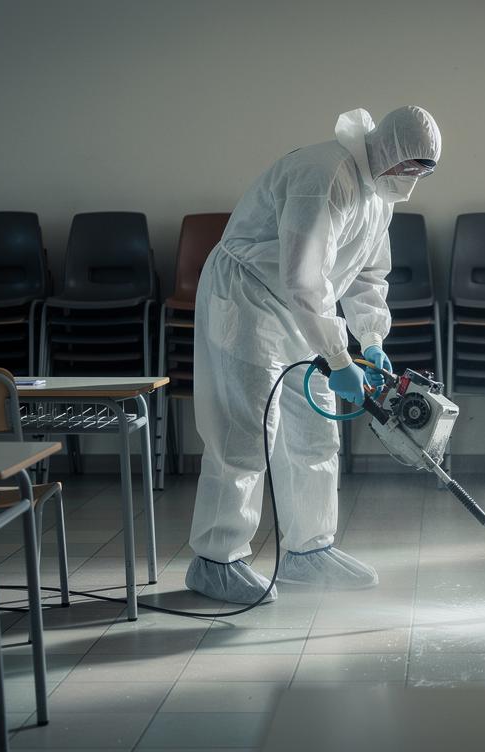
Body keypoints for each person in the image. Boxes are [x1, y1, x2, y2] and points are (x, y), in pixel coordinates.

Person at [187, 106, 440, 602]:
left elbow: (366, 273)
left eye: (423, 171)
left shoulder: (379, 194)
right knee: (246, 431)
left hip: (303, 311)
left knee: (314, 433)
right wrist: (339, 360)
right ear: (387, 148)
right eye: (409, 165)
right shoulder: (326, 175)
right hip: (250, 298)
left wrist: (371, 340)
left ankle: (309, 551)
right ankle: (215, 560)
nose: (412, 178)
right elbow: (303, 277)